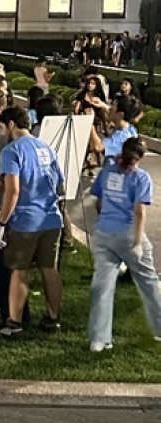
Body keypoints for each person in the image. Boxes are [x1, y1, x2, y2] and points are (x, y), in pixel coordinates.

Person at [0, 106, 64, 336]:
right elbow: (59, 185)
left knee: (19, 270)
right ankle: (53, 318)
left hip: (25, 221)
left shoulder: (11, 151)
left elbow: (13, 190)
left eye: (3, 126)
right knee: (49, 269)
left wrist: (2, 222)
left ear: (11, 124)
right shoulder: (46, 147)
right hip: (51, 218)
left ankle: (14, 323)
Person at [88, 137, 161, 351]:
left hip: (104, 234)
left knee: (102, 287)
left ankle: (99, 339)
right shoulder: (140, 178)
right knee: (149, 283)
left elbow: (98, 200)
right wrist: (138, 242)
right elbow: (139, 211)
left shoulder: (108, 171)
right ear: (140, 157)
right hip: (128, 235)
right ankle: (159, 329)